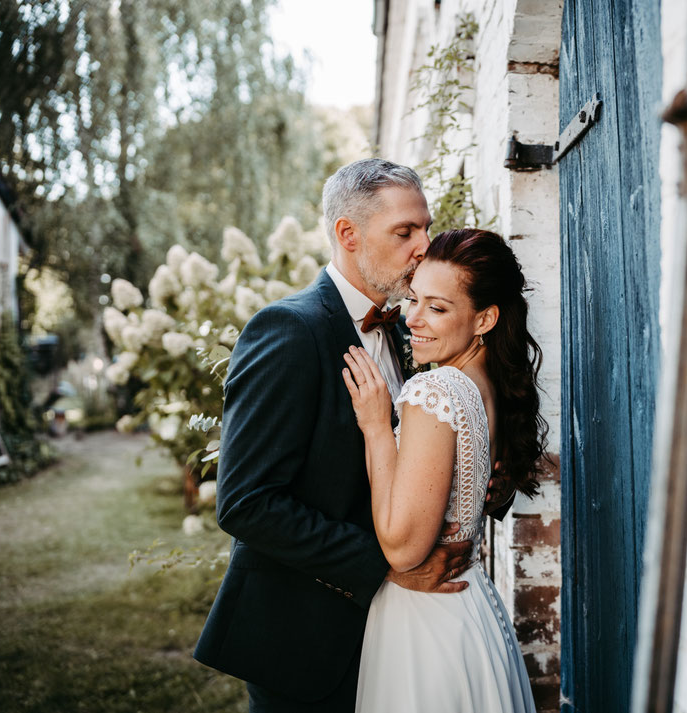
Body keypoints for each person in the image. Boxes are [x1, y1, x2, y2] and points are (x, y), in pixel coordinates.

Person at [193, 159, 513, 712]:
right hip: (308, 639)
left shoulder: (413, 331)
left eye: (426, 228)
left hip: (398, 640)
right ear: (348, 234)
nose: (423, 246)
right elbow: (246, 503)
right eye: (405, 232)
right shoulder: (289, 330)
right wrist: (389, 566)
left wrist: (476, 475)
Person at [342, 228, 546, 712]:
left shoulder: (434, 392)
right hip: (471, 603)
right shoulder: (488, 386)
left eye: (437, 308)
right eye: (414, 299)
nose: (412, 319)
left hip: (425, 622)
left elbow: (402, 546)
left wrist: (375, 425)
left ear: (484, 319)